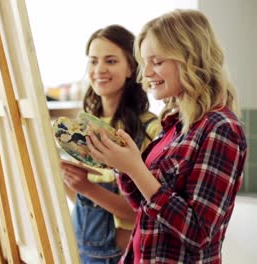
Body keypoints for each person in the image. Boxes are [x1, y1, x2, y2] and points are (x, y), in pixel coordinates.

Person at [86, 9, 247, 263]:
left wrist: (136, 168)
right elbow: (144, 208)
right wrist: (124, 166)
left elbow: (199, 234)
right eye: (145, 61)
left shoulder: (220, 128)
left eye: (157, 62)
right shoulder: (175, 125)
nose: (146, 72)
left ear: (191, 60)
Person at [61, 25, 161, 264]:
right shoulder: (83, 128)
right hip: (84, 253)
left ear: (131, 68)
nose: (99, 70)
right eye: (93, 61)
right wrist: (67, 180)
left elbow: (146, 212)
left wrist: (86, 188)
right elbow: (83, 202)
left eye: (111, 61)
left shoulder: (151, 129)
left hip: (121, 257)